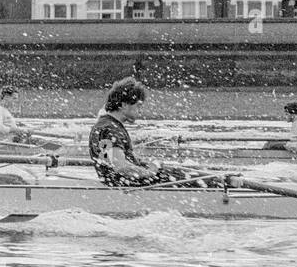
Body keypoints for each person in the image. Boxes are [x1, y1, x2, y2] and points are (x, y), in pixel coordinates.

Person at [88, 77, 216, 188]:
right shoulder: (111, 129)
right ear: (123, 105)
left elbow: (113, 162)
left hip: (118, 183)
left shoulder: (103, 125)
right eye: (138, 106)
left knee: (175, 170)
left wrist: (145, 164)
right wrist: (151, 171)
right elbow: (121, 167)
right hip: (131, 184)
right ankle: (227, 182)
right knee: (187, 176)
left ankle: (223, 180)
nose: (140, 111)